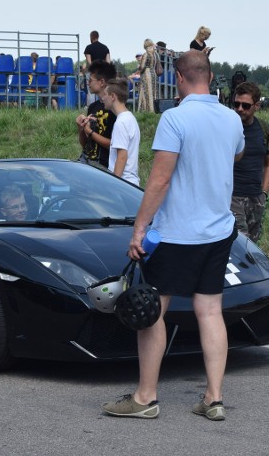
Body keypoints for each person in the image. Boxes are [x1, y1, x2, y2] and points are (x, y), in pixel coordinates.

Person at [102, 50, 244, 421]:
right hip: (218, 230)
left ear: (179, 79)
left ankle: (145, 397)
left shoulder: (175, 118)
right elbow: (237, 156)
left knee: (153, 311)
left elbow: (160, 179)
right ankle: (213, 398)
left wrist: (139, 227)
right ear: (210, 78)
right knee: (210, 310)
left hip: (178, 232)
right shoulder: (232, 119)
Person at [231, 81, 269, 243]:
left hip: (256, 198)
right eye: (236, 104)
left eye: (245, 105)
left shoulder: (264, 129)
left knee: (252, 246)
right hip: (232, 196)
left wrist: (264, 193)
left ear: (257, 106)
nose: (240, 109)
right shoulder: (227, 126)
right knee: (240, 243)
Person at [76, 61, 117, 167]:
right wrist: (81, 128)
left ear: (102, 82)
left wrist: (90, 132)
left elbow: (114, 146)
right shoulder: (93, 107)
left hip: (102, 166)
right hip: (86, 160)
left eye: (90, 80)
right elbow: (85, 145)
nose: (88, 83)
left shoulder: (115, 110)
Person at [101, 78, 140, 185]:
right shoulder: (130, 118)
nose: (102, 98)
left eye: (105, 94)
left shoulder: (121, 122)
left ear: (113, 96)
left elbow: (122, 156)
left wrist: (115, 185)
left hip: (123, 183)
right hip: (130, 182)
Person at [132, 39, 158, 113]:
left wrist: (139, 68)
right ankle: (155, 109)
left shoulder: (146, 54)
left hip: (147, 74)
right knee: (154, 92)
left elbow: (142, 66)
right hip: (154, 73)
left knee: (146, 92)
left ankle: (147, 110)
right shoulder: (155, 54)